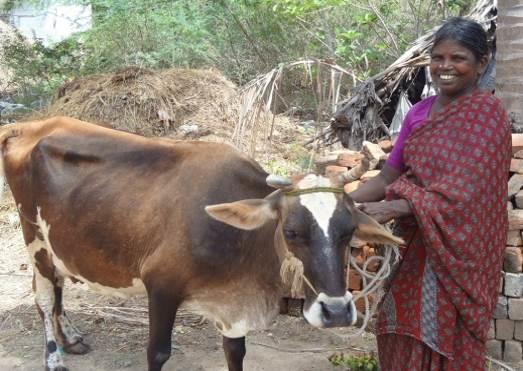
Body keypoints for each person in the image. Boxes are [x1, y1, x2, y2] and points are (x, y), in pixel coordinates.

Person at [349, 17, 511, 370]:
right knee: (399, 325)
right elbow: (388, 175)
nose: (445, 67)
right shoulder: (419, 114)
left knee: (444, 333)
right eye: (438, 58)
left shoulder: (489, 115)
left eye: (458, 58)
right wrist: (344, 202)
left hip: (460, 248)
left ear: (481, 63)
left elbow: (468, 193)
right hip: (416, 244)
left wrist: (398, 205)